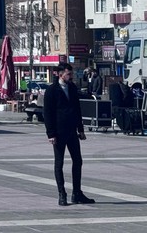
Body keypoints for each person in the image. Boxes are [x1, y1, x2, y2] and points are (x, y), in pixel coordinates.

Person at [43, 62, 95, 206]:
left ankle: (77, 193)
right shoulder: (51, 90)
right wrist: (50, 133)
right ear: (60, 74)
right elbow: (47, 113)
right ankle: (62, 194)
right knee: (59, 163)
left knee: (78, 161)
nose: (71, 76)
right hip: (58, 133)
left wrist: (81, 129)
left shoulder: (72, 88)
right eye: (68, 74)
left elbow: (77, 109)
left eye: (71, 74)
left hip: (72, 131)